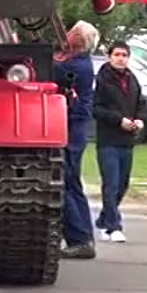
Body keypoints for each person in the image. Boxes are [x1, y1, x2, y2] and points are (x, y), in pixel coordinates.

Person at [53, 20, 100, 260]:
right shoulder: (77, 63)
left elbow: (52, 70)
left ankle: (79, 238)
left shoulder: (75, 66)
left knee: (66, 182)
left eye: (71, 31)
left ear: (78, 40)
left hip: (72, 130)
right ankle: (83, 238)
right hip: (75, 129)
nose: (67, 33)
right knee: (72, 183)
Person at [92, 40, 146, 243]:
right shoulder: (103, 80)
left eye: (124, 55)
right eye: (117, 55)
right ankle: (114, 226)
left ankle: (104, 220)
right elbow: (96, 109)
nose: (121, 59)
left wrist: (139, 119)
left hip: (127, 140)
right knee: (111, 184)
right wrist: (118, 120)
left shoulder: (132, 79)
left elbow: (141, 102)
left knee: (123, 185)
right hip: (108, 140)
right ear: (110, 56)